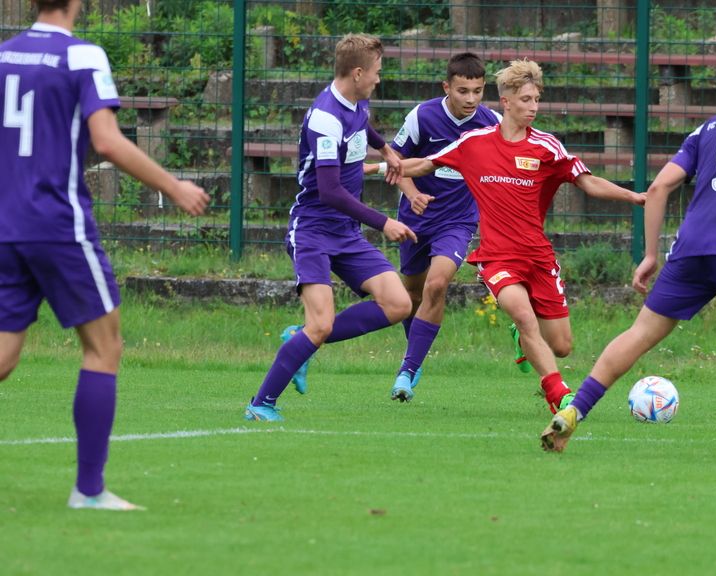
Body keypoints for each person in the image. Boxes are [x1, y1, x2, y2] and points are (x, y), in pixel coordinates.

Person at [541, 52, 716, 460]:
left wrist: (650, 254)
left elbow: (661, 186)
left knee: (640, 334)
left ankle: (574, 410)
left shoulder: (706, 129)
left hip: (690, 246)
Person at [0, 0, 210, 510]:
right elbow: (107, 141)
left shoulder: (4, 55)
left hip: (5, 225)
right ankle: (89, 491)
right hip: (57, 225)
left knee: (3, 357)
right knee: (103, 347)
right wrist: (174, 186)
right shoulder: (83, 56)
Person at [399, 59, 646, 414]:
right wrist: (372, 167)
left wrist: (633, 195)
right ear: (507, 101)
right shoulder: (474, 142)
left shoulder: (547, 147)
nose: (533, 107)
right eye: (526, 100)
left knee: (561, 345)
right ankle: (560, 395)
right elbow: (423, 164)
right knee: (524, 316)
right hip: (497, 257)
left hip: (538, 257)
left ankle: (524, 344)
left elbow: (587, 182)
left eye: (536, 100)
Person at [244, 33, 416, 422]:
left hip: (345, 233)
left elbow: (363, 126)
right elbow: (331, 191)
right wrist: (384, 222)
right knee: (320, 323)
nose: (378, 79)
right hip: (313, 231)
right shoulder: (325, 118)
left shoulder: (355, 102)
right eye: (375, 72)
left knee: (398, 303)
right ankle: (260, 404)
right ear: (357, 73)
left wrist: (385, 148)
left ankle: (300, 341)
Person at [375, 52, 501, 402]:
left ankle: (407, 370)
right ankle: (414, 354)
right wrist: (413, 194)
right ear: (447, 87)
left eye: (477, 91)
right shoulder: (423, 116)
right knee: (411, 293)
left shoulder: (492, 123)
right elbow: (396, 164)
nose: (471, 99)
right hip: (416, 219)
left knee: (438, 284)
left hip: (458, 221)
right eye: (463, 91)